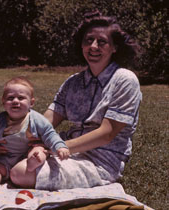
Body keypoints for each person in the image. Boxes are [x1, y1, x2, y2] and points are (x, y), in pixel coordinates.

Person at [7, 11, 142, 190]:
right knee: (5, 155)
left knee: (20, 172)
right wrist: (18, 139)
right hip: (64, 152)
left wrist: (52, 149)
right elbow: (46, 121)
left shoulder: (125, 80)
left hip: (99, 162)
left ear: (114, 47)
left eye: (101, 42)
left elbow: (106, 134)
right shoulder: (73, 82)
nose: (93, 46)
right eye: (88, 40)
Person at [0, 76, 69, 190]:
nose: (15, 101)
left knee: (38, 150)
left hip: (28, 155)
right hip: (6, 157)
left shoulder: (36, 119)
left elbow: (50, 134)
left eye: (21, 98)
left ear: (31, 103)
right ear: (3, 102)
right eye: (10, 98)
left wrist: (59, 146)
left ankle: (34, 163)